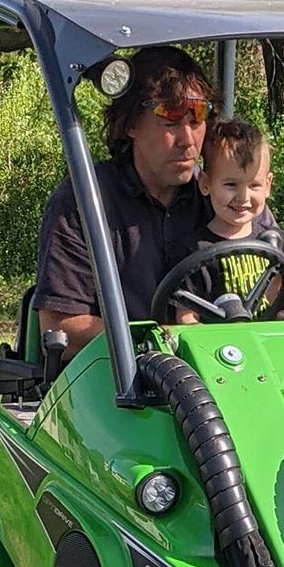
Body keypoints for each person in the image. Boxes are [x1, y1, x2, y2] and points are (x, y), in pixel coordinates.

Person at [34, 44, 217, 357]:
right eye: (171, 121)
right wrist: (162, 346)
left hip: (220, 376)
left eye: (197, 118)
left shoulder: (223, 195)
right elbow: (61, 327)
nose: (188, 140)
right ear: (131, 124)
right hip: (114, 387)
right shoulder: (85, 201)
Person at [183, 116, 284, 321]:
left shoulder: (276, 241)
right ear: (205, 183)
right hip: (222, 349)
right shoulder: (195, 250)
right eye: (230, 185)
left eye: (254, 185)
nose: (243, 197)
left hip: (273, 345)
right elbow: (186, 317)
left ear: (268, 185)